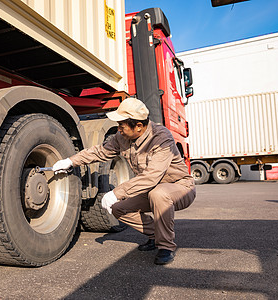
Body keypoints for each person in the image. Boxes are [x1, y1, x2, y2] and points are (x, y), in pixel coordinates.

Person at [52, 97, 196, 265]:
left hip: (180, 187)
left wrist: (116, 192)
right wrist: (70, 161)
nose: (118, 128)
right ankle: (155, 235)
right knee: (118, 208)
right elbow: (99, 152)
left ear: (139, 126)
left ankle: (166, 246)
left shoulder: (161, 138)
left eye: (122, 125)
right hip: (151, 189)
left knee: (159, 194)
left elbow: (151, 176)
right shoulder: (122, 137)